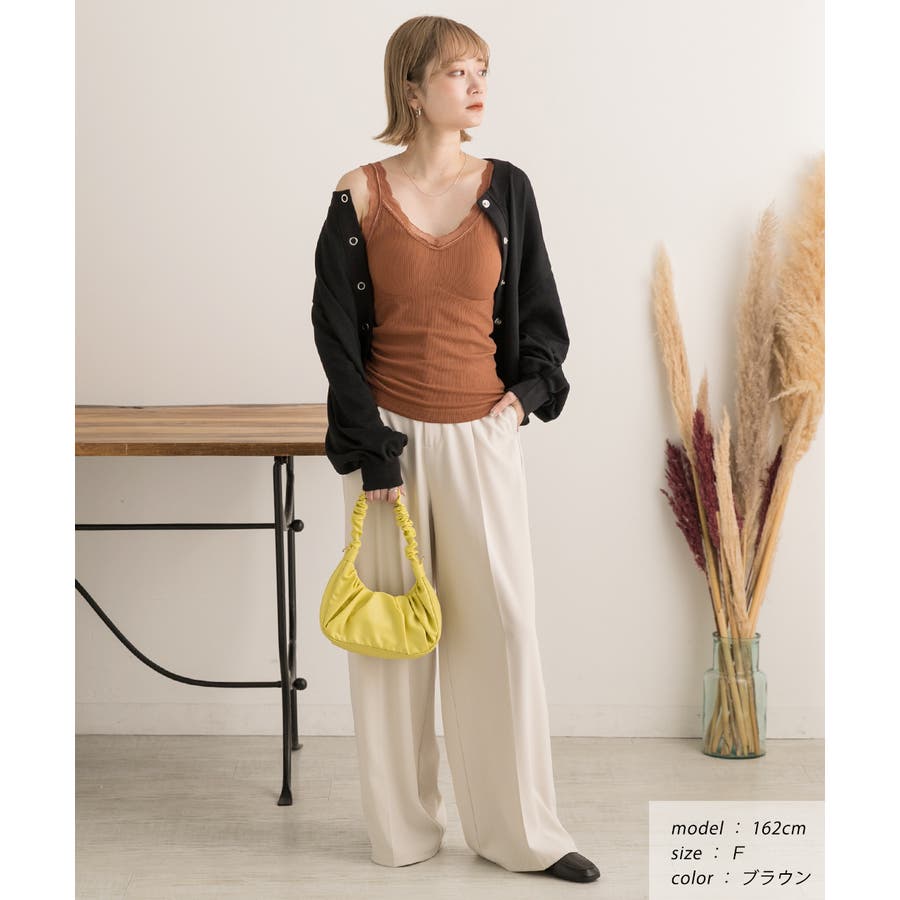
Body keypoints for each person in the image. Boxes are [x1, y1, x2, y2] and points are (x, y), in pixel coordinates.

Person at [311, 15, 600, 884]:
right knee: (394, 647)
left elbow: (542, 317)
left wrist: (523, 402)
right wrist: (374, 454)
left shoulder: (507, 189)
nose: (476, 86)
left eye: (482, 70)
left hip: (482, 439)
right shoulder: (360, 195)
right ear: (412, 88)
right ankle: (403, 832)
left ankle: (522, 834)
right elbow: (335, 336)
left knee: (502, 633)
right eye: (457, 72)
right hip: (389, 449)